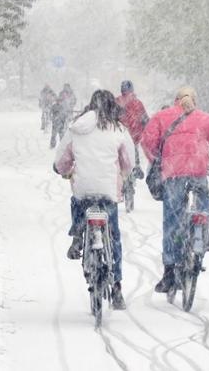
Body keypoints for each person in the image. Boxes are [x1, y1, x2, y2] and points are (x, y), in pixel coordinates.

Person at [141, 86, 209, 293]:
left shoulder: (162, 117)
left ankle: (169, 271)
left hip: (173, 175)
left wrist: (158, 158)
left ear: (175, 100)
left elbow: (147, 141)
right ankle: (204, 231)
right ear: (194, 100)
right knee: (202, 202)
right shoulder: (204, 119)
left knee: (173, 221)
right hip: (198, 172)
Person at [53, 89, 135, 310]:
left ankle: (78, 235)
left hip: (84, 188)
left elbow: (62, 159)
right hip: (108, 192)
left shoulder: (77, 128)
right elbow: (129, 162)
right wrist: (125, 173)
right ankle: (116, 287)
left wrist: (61, 169)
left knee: (78, 200)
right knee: (114, 236)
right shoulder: (119, 129)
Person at [116, 80, 149, 179]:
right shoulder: (137, 103)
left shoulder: (116, 101)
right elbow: (145, 120)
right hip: (133, 137)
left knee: (117, 157)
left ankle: (119, 174)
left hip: (118, 136)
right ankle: (135, 169)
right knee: (134, 156)